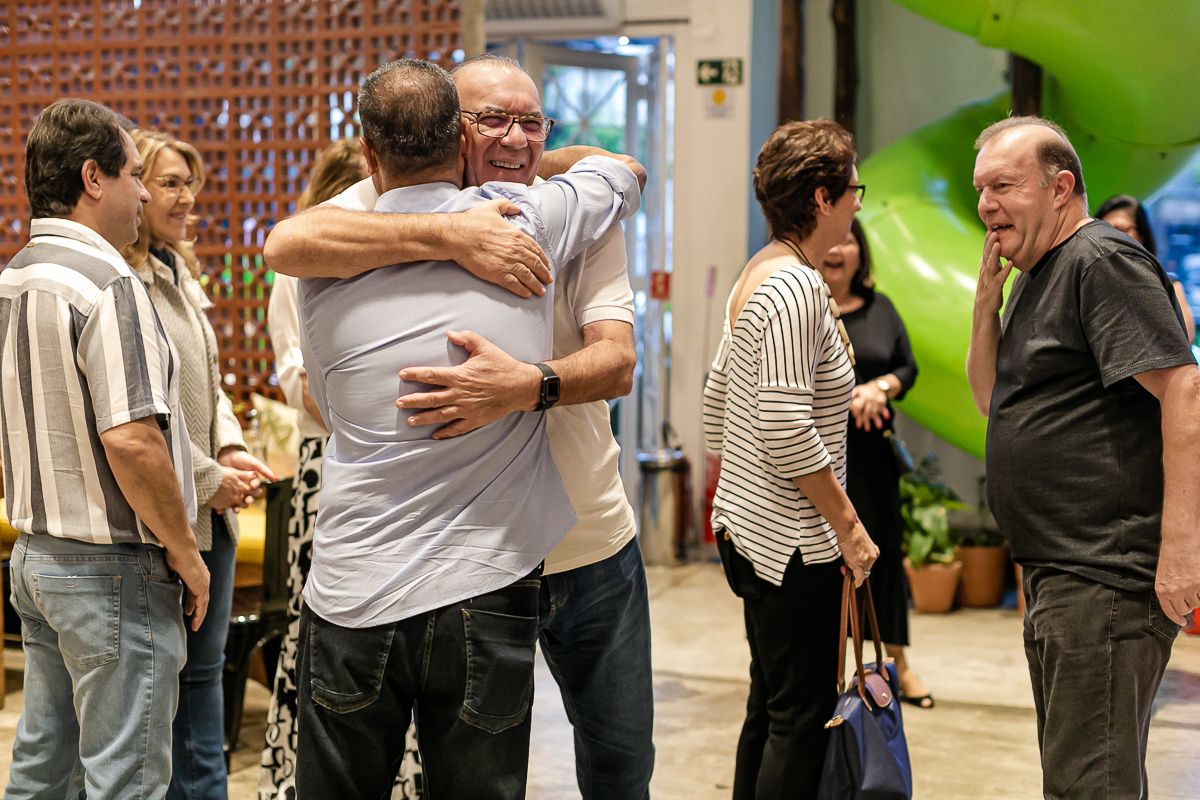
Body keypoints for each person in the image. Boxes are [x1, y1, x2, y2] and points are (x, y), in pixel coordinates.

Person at [266, 54, 654, 800]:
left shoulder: (551, 210)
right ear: (454, 134)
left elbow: (619, 361)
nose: (516, 138)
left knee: (620, 759)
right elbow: (285, 242)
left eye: (532, 122)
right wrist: (453, 236)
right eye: (494, 120)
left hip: (585, 543)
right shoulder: (366, 222)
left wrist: (525, 386)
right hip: (475, 567)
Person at [966, 116, 1200, 800]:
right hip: (1059, 572)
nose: (986, 205)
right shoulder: (1042, 272)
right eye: (981, 189)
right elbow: (990, 398)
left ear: (1061, 187)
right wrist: (987, 302)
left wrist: (1182, 549)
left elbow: (1183, 389)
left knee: (1089, 785)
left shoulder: (1100, 260)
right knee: (1082, 778)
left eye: (1003, 185)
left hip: (1103, 573)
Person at [1, 99, 210, 799]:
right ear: (94, 178)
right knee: (126, 779)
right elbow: (130, 438)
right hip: (112, 568)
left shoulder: (15, 276)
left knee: (44, 767)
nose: (146, 192)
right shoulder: (108, 283)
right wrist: (185, 551)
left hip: (36, 555)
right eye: (134, 175)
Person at [702, 119, 879, 800]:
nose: (859, 202)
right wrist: (848, 527)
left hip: (754, 534)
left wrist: (731, 498)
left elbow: (718, 401)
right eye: (854, 188)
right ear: (821, 196)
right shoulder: (796, 289)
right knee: (800, 719)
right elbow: (781, 423)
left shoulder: (760, 271)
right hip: (792, 546)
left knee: (771, 706)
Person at [120, 128, 278, 800]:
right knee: (166, 700)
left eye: (191, 183)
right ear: (132, 186)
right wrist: (214, 480)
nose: (187, 198)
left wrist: (233, 446)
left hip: (207, 515)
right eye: (169, 182)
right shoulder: (124, 281)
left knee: (204, 681)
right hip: (163, 522)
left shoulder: (179, 270)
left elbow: (207, 386)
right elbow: (140, 415)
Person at [259, 138, 394, 800]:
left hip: (381, 466)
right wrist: (366, 430)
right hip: (325, 465)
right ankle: (300, 776)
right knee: (320, 634)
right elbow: (296, 378)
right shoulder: (298, 266)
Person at [818, 217, 929, 708]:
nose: (839, 249)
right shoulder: (806, 305)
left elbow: (907, 367)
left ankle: (897, 664)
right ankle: (833, 670)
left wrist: (880, 387)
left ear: (861, 253)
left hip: (872, 459)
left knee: (882, 563)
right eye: (833, 239)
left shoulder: (881, 308)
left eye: (849, 240)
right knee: (829, 567)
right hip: (820, 464)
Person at [1096, 193, 1195, 341]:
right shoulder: (1090, 284)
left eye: (1120, 229)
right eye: (1103, 230)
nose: (1110, 236)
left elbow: (1186, 338)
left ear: (1142, 235)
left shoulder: (1167, 285)